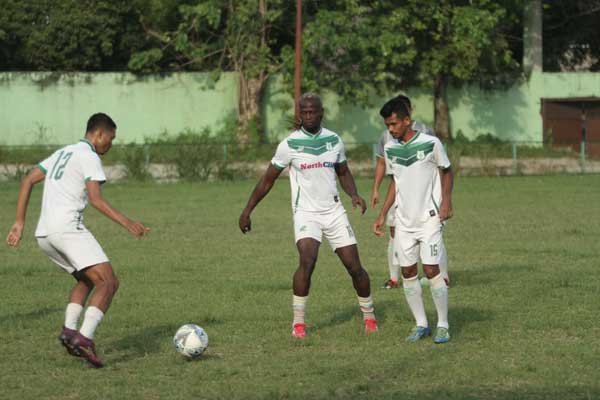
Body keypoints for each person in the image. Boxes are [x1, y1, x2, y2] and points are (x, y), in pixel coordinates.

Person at [6, 113, 149, 367]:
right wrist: (128, 223)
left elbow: (28, 179)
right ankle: (84, 338)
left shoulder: (64, 152)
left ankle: (69, 331)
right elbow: (96, 200)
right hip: (67, 229)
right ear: (99, 134)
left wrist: (19, 222)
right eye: (111, 139)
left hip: (44, 234)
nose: (110, 145)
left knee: (86, 279)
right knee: (108, 282)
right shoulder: (89, 156)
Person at [239, 93, 377, 338]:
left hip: (334, 213)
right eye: (304, 112)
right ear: (299, 114)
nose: (309, 116)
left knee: (354, 267)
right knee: (307, 261)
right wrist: (248, 210)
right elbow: (267, 180)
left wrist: (354, 194)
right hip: (306, 214)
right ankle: (299, 324)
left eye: (313, 112)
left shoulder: (334, 140)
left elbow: (343, 172)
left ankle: (369, 317)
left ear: (321, 113)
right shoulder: (289, 145)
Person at [373, 98, 454, 344]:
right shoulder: (390, 148)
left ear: (407, 120)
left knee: (431, 270)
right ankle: (421, 324)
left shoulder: (431, 143)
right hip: (404, 222)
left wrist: (446, 202)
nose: (391, 129)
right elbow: (395, 182)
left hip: (429, 219)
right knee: (408, 272)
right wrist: (382, 214)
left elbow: (447, 170)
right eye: (388, 125)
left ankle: (443, 324)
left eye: (395, 124)